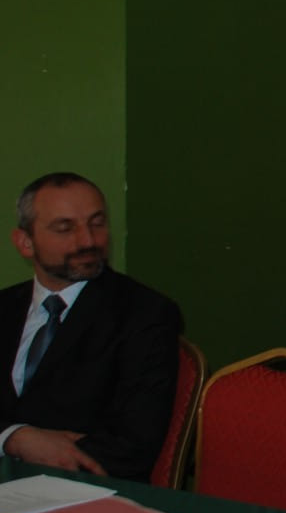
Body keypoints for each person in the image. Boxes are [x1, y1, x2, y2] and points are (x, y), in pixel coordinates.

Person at [2, 173, 181, 481]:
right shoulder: (5, 307)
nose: (87, 241)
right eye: (65, 228)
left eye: (97, 223)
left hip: (80, 491)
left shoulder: (144, 314)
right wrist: (14, 438)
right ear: (25, 242)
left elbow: (133, 446)